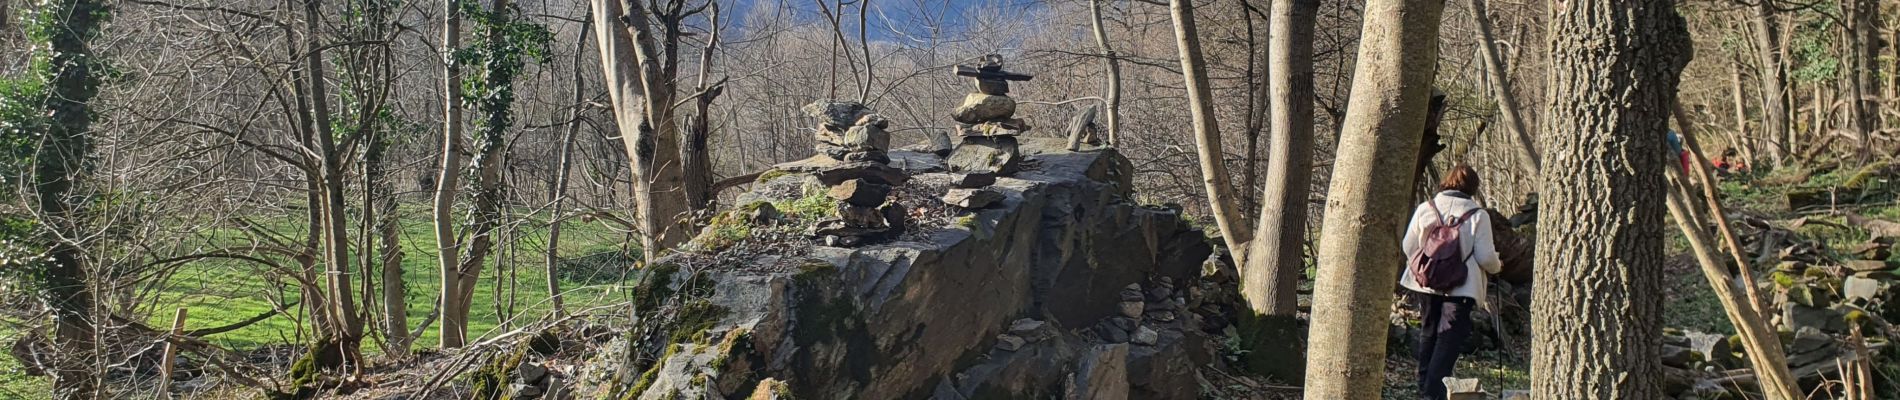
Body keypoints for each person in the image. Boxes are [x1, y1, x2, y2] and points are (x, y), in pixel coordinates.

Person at [1399, 164, 1502, 400]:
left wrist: (1427, 266)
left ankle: (1425, 386)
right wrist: (1498, 266)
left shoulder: (1426, 208)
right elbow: (1486, 257)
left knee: (1429, 333)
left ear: (1446, 182)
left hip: (1425, 283)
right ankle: (1433, 392)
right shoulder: (1478, 215)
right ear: (1473, 187)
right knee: (1449, 340)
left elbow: (1408, 246)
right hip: (1461, 287)